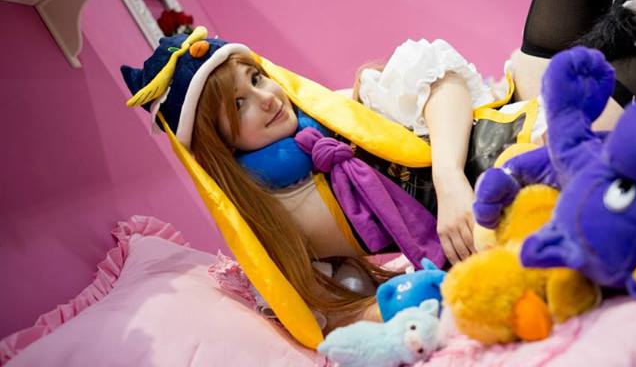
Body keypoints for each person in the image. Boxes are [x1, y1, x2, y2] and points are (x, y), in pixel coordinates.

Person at [121, 28, 548, 331]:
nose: (266, 98)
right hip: (499, 222)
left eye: (256, 78)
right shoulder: (268, 219)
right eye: (238, 104)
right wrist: (419, 295)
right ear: (220, 143)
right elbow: (327, 311)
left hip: (513, 139)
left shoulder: (345, 111)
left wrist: (449, 181)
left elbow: (442, 80)